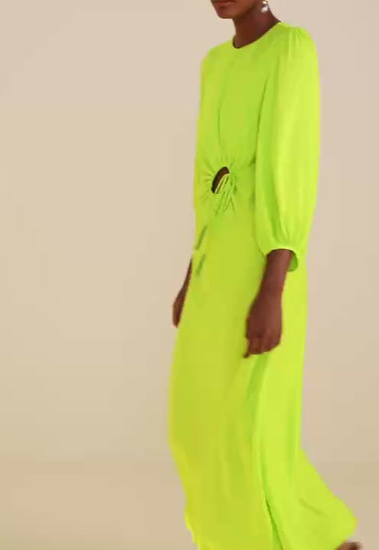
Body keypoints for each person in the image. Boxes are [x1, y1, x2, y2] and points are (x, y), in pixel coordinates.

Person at [167, 2, 362, 550]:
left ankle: (302, 538)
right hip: (215, 265)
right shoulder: (214, 64)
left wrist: (273, 287)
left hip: (263, 263)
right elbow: (209, 178)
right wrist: (192, 273)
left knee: (249, 422)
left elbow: (289, 164)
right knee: (195, 422)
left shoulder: (291, 49)